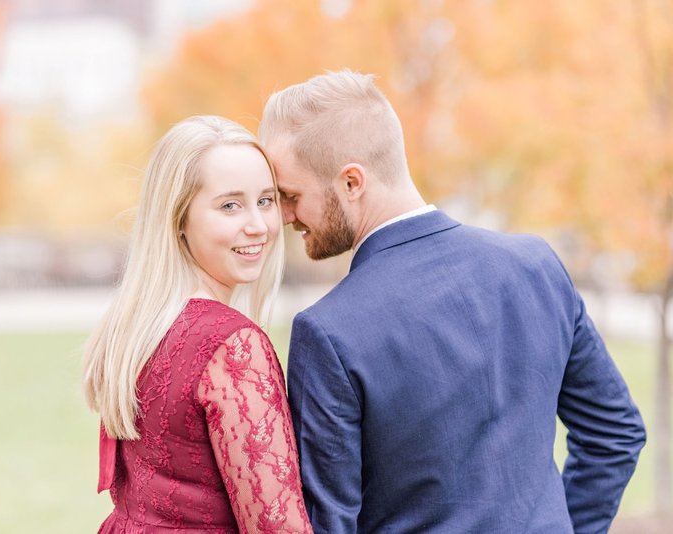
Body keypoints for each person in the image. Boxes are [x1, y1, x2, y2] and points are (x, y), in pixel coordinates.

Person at [258, 70, 646, 533]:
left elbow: (329, 525)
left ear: (352, 182)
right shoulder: (536, 265)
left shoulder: (328, 332)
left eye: (290, 195)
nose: (282, 217)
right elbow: (616, 434)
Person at [82, 115, 313, 533]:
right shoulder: (232, 346)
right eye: (230, 205)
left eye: (266, 200)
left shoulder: (140, 326)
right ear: (179, 219)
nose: (258, 225)